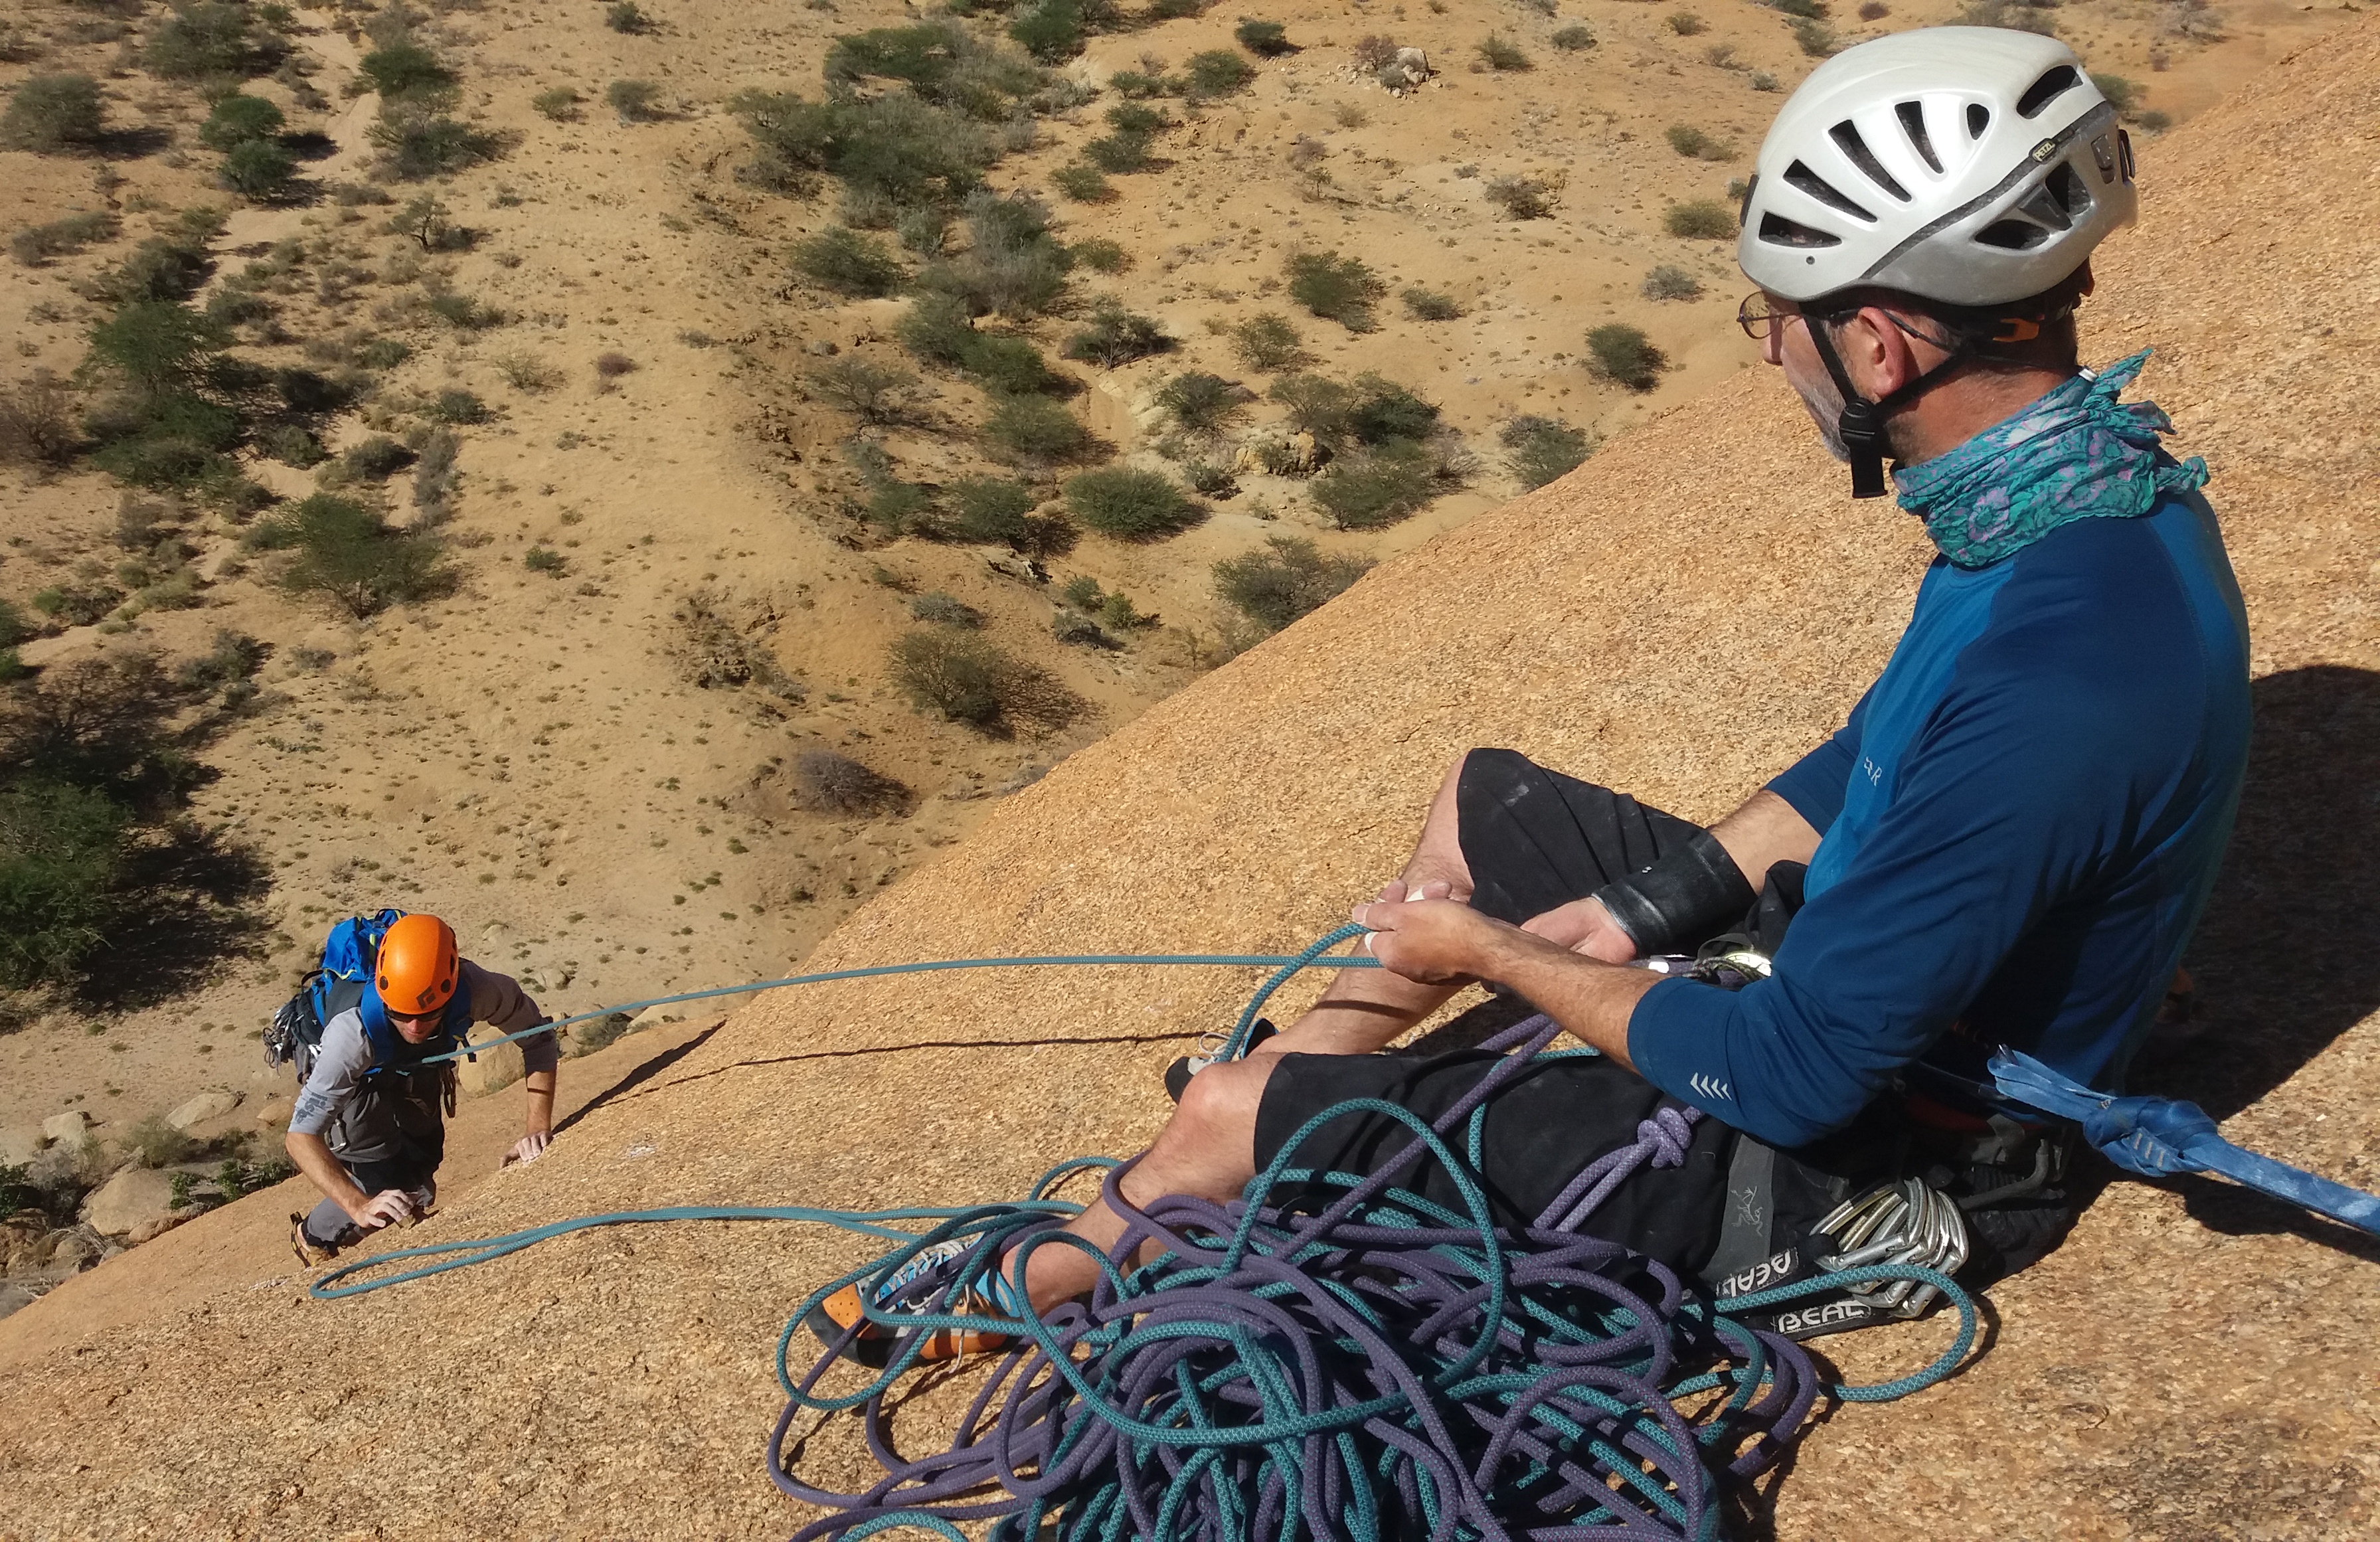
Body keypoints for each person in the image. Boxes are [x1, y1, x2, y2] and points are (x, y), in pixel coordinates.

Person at [831, 27, 2250, 1348]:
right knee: (1481, 804)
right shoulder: (2073, 510)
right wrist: (1629, 918)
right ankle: (1319, 1085)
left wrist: (1501, 962)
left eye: (1782, 320)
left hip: (1881, 1143)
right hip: (1865, 980)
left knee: (1223, 1113)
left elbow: (1796, 1076)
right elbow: (1864, 762)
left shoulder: (2058, 667)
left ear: (1879, 345)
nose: (1773, 350)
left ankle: (1096, 1240)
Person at [286, 912, 560, 1265]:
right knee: (380, 1180)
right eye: (402, 1013)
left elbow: (538, 1039)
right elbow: (300, 1137)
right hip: (355, 1066)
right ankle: (312, 1237)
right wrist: (358, 1205)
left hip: (415, 1061)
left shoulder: (478, 989)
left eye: (428, 1012)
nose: (415, 1026)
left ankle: (402, 1191)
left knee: (423, 1158)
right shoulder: (350, 1034)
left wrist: (537, 1128)